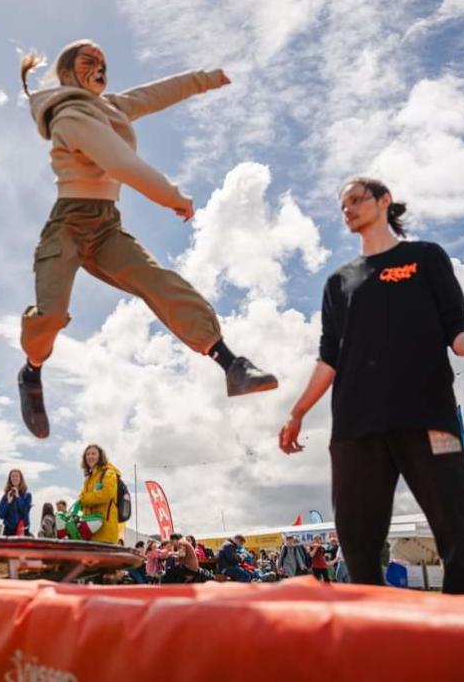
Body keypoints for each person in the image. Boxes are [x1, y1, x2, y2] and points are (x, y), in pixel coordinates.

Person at [15, 40, 278, 440]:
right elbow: (120, 163)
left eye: (103, 61)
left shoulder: (111, 107)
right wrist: (173, 197)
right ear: (67, 73)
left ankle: (232, 366)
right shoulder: (70, 116)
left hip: (106, 227)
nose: (100, 67)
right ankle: (31, 373)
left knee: (158, 281)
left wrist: (205, 79)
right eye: (89, 62)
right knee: (51, 315)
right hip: (67, 225)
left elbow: (155, 94)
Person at [279, 177, 464, 595]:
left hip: (429, 416)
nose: (347, 209)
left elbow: (456, 327)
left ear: (384, 200)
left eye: (356, 200)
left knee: (459, 532)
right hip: (355, 426)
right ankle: (370, 629)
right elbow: (329, 358)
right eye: (342, 205)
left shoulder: (424, 258)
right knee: (357, 544)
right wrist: (297, 412)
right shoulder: (338, 282)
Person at [77, 445, 123, 544]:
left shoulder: (109, 473)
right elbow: (81, 498)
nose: (90, 456)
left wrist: (84, 499)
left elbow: (106, 494)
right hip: (90, 530)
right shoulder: (89, 478)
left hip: (105, 532)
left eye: (93, 454)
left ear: (100, 456)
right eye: (88, 454)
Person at [0, 469, 33, 536]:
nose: (14, 478)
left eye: (17, 476)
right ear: (10, 479)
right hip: (8, 531)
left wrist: (18, 497)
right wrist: (8, 503)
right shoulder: (6, 496)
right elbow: (0, 515)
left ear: (20, 479)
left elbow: (25, 512)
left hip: (22, 529)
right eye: (12, 476)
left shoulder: (27, 495)